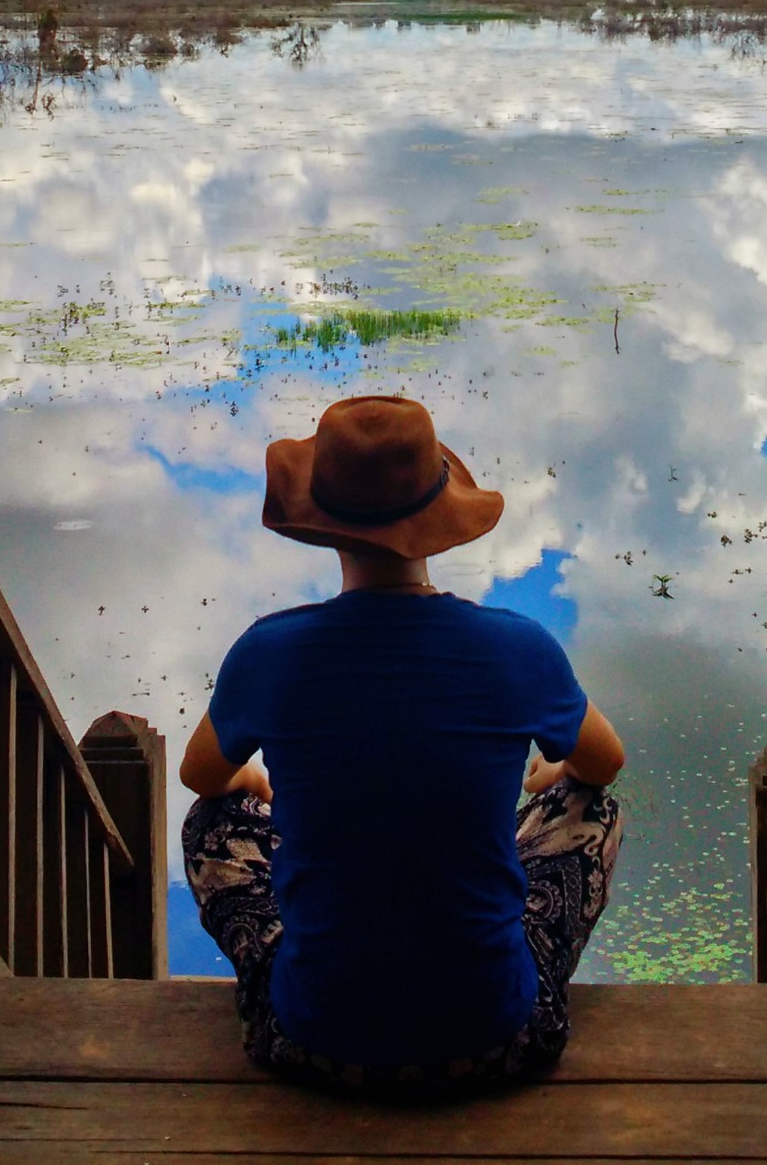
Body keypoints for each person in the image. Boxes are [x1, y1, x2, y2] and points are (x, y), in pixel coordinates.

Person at [179, 392, 625, 1098]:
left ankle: (303, 980)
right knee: (590, 805)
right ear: (439, 519)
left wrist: (254, 785)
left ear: (322, 528)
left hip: (311, 1044)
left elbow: (201, 777)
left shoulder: (269, 652)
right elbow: (603, 763)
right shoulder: (516, 646)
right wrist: (551, 774)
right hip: (498, 1041)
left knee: (212, 824)